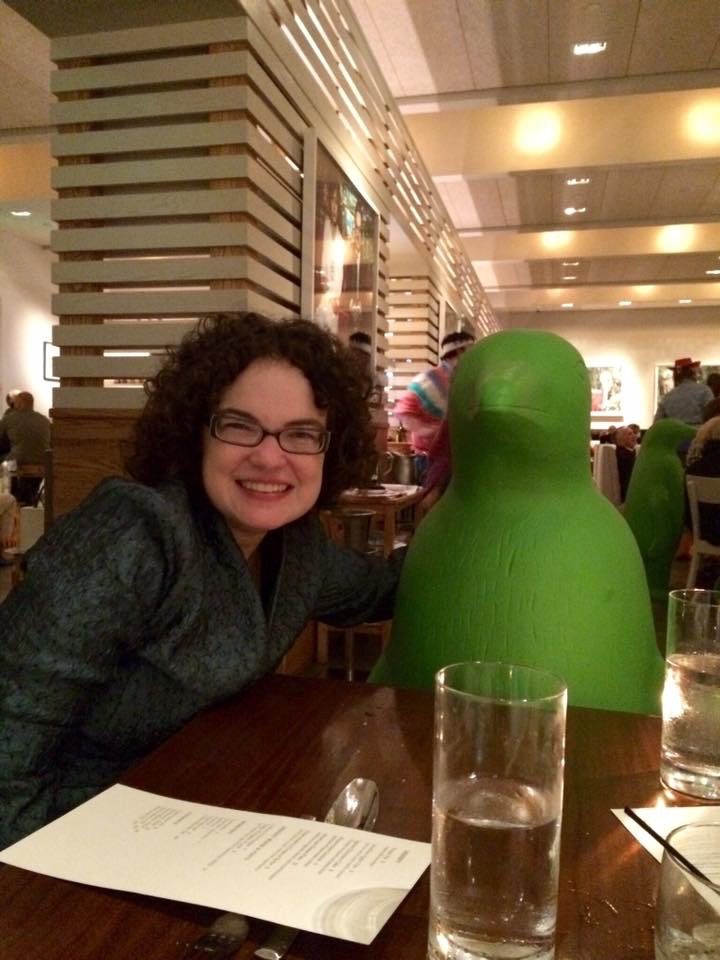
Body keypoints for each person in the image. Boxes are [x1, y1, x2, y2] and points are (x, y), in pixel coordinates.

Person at [0, 313, 406, 847]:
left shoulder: (297, 548)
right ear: (197, 434)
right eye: (239, 425)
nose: (269, 456)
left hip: (191, 814)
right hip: (72, 832)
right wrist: (32, 892)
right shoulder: (135, 533)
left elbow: (379, 589)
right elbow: (13, 735)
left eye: (302, 434)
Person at [393, 330, 475, 479]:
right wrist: (433, 431)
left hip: (454, 460)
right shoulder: (429, 380)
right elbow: (403, 411)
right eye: (471, 351)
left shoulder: (462, 381)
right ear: (459, 351)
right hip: (429, 460)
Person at [0, 391, 51, 505]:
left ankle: (11, 501)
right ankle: (28, 501)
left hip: (17, 465)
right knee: (29, 490)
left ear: (18, 404)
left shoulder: (9, 419)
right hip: (42, 465)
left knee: (8, 460)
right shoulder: (45, 420)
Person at [654, 357, 713, 425]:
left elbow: (657, 423)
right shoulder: (705, 391)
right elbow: (711, 417)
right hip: (697, 433)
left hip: (674, 433)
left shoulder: (667, 397)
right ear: (692, 373)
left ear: (676, 376)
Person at [614, 425, 638, 503]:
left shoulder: (628, 452)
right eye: (630, 434)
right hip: (630, 495)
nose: (635, 436)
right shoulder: (624, 456)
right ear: (622, 439)